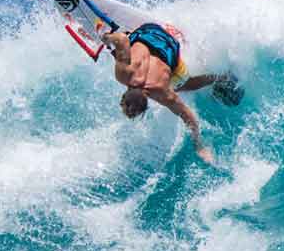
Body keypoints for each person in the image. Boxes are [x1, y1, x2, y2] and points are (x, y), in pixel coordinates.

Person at [101, 23, 239, 166]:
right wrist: (107, 38)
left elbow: (188, 116)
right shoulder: (124, 75)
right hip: (152, 31)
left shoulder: (162, 92)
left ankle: (219, 78)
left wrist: (200, 146)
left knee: (185, 85)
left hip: (167, 44)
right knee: (123, 53)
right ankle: (219, 77)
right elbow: (122, 39)